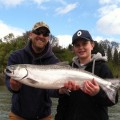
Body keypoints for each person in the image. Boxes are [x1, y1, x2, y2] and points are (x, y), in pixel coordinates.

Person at [55, 29, 118, 120]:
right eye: (77, 45)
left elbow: (113, 100)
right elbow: (63, 103)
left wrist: (97, 93)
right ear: (73, 49)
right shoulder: (67, 68)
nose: (81, 47)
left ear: (92, 45)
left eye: (84, 43)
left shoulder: (103, 68)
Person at [5, 21, 62, 120]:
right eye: (38, 32)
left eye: (45, 34)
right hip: (18, 115)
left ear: (48, 38)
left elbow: (52, 92)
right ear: (30, 35)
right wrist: (13, 87)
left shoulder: (54, 61)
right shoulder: (16, 56)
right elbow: (8, 81)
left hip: (44, 116)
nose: (41, 36)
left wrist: (61, 90)